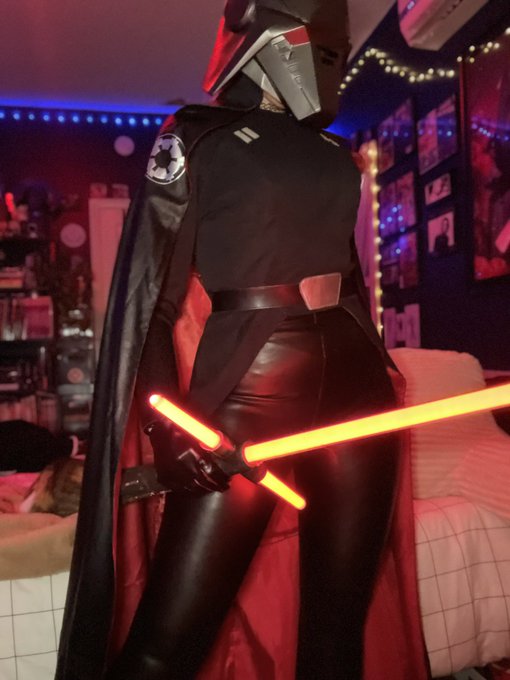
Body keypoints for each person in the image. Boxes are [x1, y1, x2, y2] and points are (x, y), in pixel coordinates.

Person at [56, 2, 428, 679]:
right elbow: (154, 300)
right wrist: (167, 426)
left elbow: (349, 279)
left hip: (356, 383)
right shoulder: (196, 137)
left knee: (339, 627)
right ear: (259, 38)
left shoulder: (333, 148)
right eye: (312, 39)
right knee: (167, 642)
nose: (328, 58)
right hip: (253, 385)